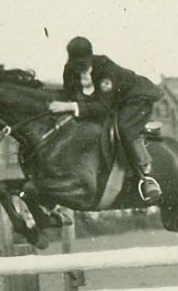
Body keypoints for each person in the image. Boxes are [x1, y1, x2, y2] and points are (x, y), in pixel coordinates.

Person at [48, 36, 164, 205]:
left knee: (124, 128)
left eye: (83, 64)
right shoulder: (69, 70)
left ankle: (146, 176)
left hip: (136, 97)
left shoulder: (105, 68)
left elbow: (102, 107)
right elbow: (71, 95)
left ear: (90, 57)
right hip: (112, 102)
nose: (79, 68)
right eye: (76, 64)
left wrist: (71, 106)